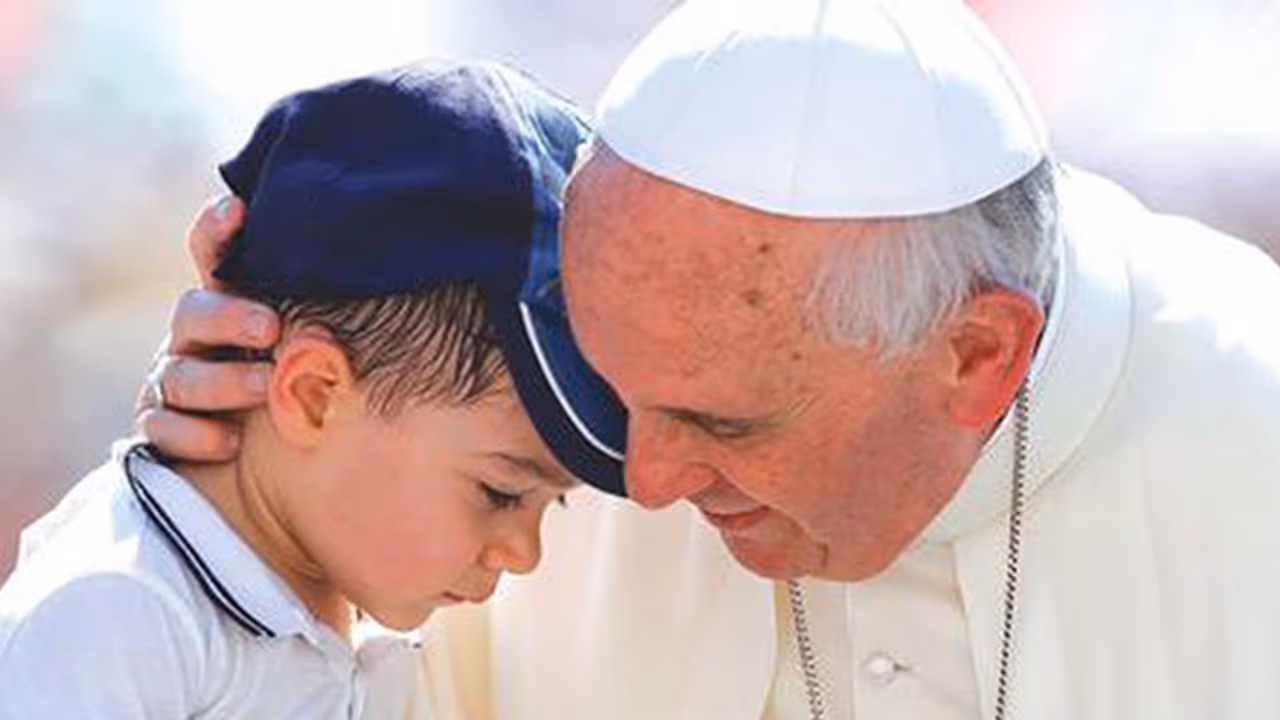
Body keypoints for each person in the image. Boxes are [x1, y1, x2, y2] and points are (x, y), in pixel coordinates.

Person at [139, 0, 1280, 718]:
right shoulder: (543, 402)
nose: (638, 484)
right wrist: (237, 486)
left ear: (978, 353)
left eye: (723, 424)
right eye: (609, 381)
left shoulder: (1249, 434)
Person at [0, 60, 629, 718]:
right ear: (313, 395)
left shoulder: (360, 601)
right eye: (500, 492)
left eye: (547, 505)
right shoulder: (120, 610)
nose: (524, 554)